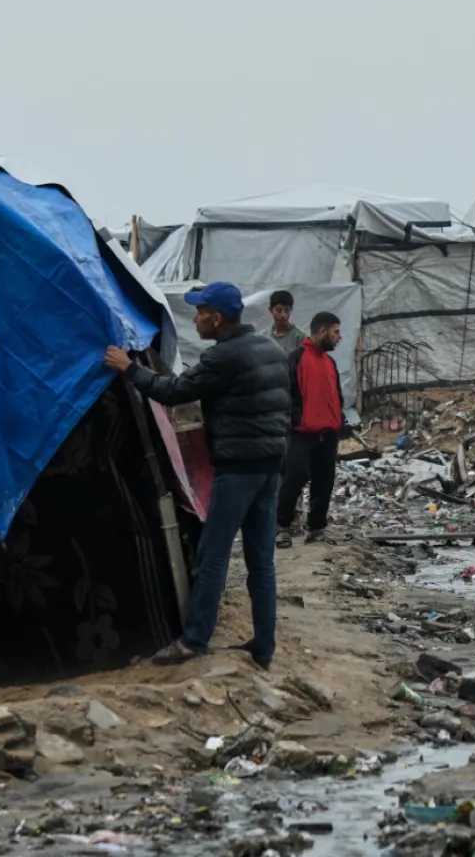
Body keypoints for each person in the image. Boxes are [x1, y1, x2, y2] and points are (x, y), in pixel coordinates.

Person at [105, 282, 290, 669]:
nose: (195, 318)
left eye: (200, 311)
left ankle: (194, 640)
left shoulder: (223, 357)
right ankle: (265, 647)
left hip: (237, 469)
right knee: (261, 560)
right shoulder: (272, 350)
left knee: (213, 555)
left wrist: (129, 369)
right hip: (270, 466)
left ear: (217, 318)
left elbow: (173, 391)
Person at [277, 311, 346, 548]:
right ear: (321, 331)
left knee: (324, 482)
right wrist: (295, 421)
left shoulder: (330, 362)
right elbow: (285, 396)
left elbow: (336, 395)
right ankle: (281, 527)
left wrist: (339, 420)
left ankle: (316, 528)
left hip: (327, 434)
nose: (339, 337)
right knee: (293, 480)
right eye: (336, 332)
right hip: (301, 433)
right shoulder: (296, 358)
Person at [264, 290, 306, 356]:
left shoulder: (300, 338)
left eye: (287, 310)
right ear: (271, 310)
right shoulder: (263, 337)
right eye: (279, 310)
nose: (283, 315)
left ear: (291, 310)